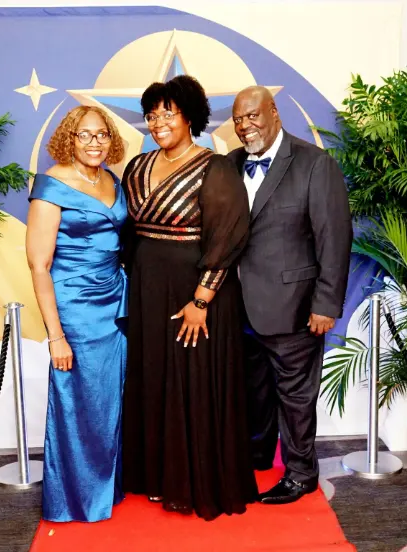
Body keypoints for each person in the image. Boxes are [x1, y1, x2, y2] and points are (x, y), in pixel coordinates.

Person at [120, 75, 258, 521]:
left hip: (198, 290)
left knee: (194, 379)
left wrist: (201, 301)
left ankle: (196, 481)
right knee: (156, 376)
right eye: (151, 114)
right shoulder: (136, 168)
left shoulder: (215, 168)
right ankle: (158, 477)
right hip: (149, 289)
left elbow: (229, 236)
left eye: (168, 112)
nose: (157, 121)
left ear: (190, 117)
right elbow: (128, 233)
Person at [228, 87, 352, 504]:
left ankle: (301, 474)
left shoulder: (314, 163)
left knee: (296, 397)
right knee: (255, 392)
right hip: (241, 308)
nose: (245, 126)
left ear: (274, 112)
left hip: (295, 307)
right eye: (238, 119)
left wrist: (325, 304)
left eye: (252, 116)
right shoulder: (230, 164)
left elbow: (334, 238)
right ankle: (258, 456)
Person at [26, 105, 128, 522]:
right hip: (75, 307)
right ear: (69, 138)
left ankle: (108, 486)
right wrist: (56, 335)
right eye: (84, 135)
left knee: (110, 400)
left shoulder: (111, 180)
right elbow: (39, 266)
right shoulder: (52, 185)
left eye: (101, 134)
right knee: (79, 401)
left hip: (115, 302)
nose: (94, 142)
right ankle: (74, 498)